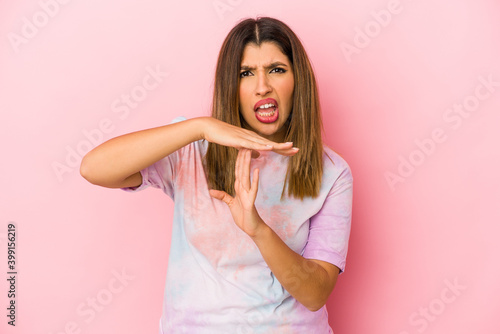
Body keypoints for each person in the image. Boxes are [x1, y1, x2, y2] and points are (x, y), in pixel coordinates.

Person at [80, 16, 353, 334]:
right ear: (231, 86)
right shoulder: (193, 149)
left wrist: (258, 230)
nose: (262, 86)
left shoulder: (332, 172)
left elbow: (315, 294)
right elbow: (94, 168)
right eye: (246, 73)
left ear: (297, 80)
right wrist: (199, 127)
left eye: (276, 69)